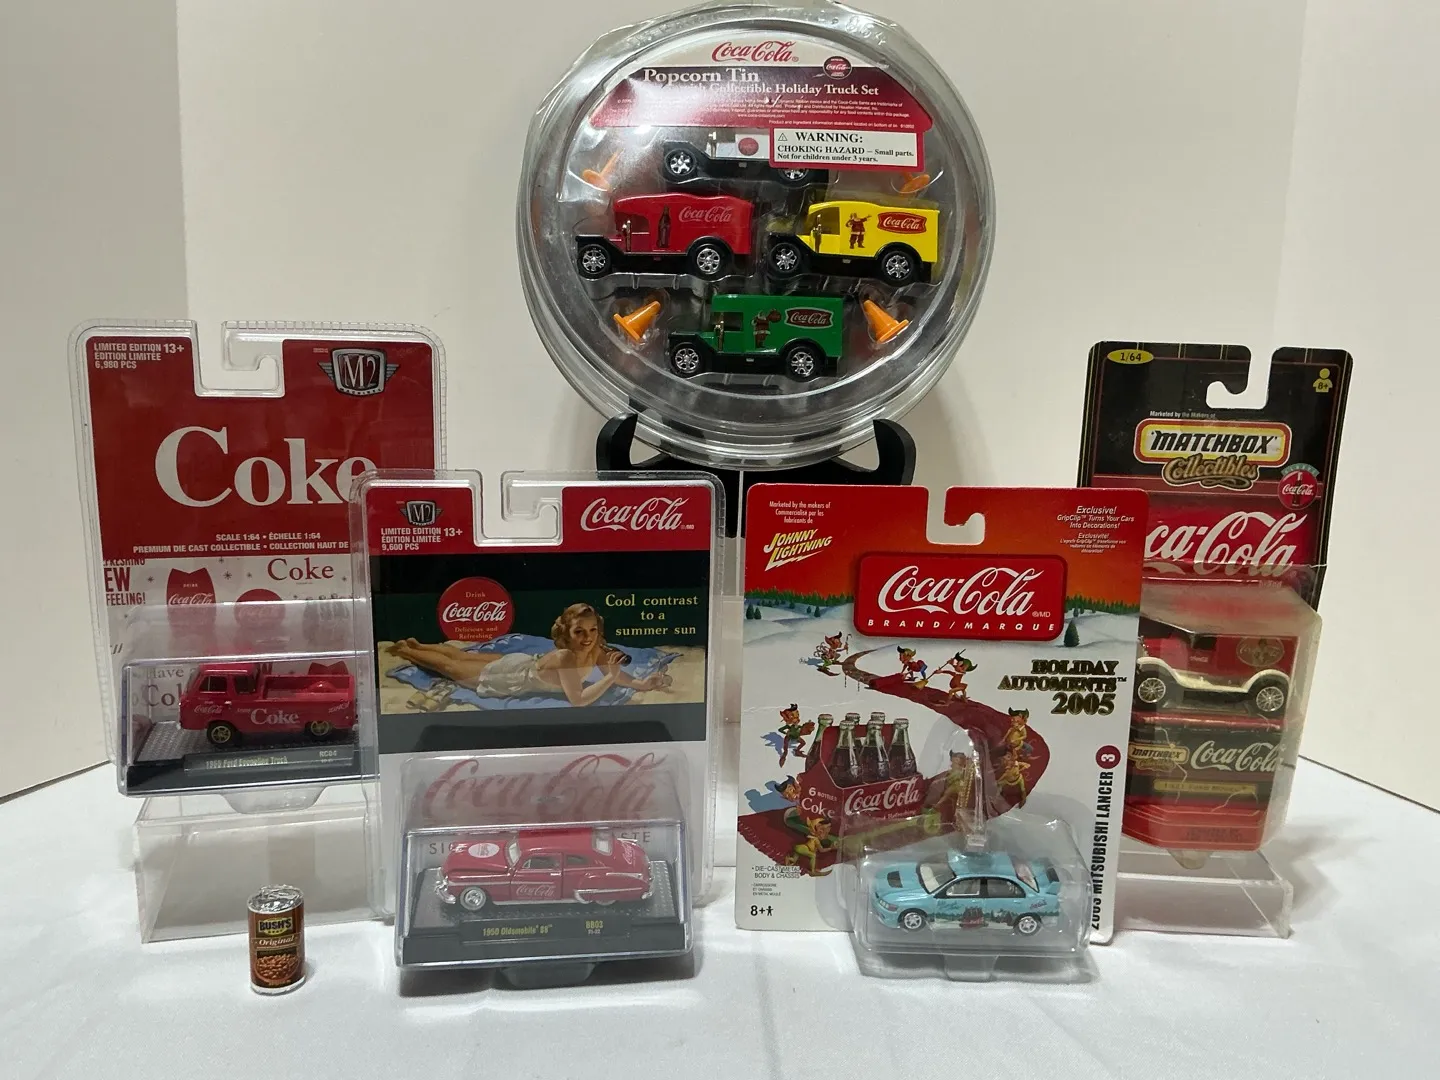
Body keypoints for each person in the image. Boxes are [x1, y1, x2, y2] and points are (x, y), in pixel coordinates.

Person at [387, 602, 669, 707]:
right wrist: (609, 678)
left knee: (461, 656)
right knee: (450, 666)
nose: (588, 637)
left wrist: (642, 684)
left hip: (524, 663)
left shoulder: (595, 648)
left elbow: (615, 674)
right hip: (508, 677)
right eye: (579, 632)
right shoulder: (567, 658)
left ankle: (418, 645)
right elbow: (579, 700)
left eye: (593, 630)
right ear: (567, 633)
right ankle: (408, 651)